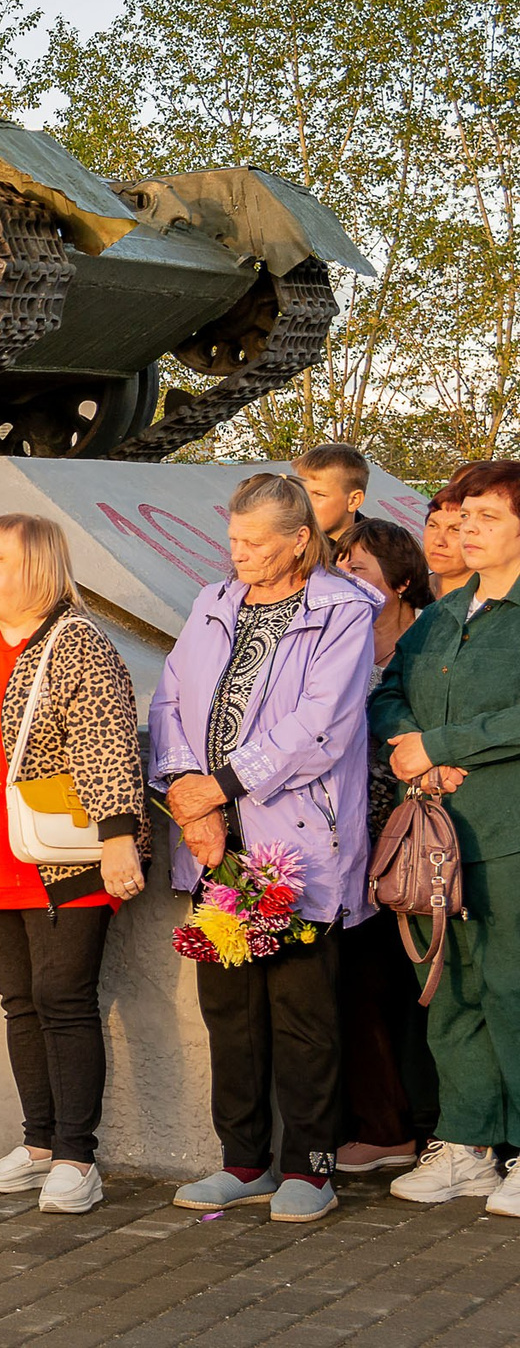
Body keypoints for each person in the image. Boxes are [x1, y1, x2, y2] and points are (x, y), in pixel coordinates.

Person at [152, 473, 377, 1224]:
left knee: (303, 1008)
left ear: (299, 540)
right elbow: (171, 700)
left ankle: (311, 1167)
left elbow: (322, 726)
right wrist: (188, 795)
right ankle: (242, 1160)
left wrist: (218, 785)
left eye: (253, 542)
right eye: (233, 539)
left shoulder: (342, 611)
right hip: (215, 844)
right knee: (231, 1007)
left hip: (298, 845)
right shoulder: (213, 604)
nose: (236, 553)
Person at [0, 514, 147, 1215]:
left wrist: (118, 836)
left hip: (63, 859)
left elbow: (107, 737)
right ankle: (40, 1141)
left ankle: (79, 1155)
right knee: (21, 1002)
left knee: (64, 1000)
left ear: (37, 567)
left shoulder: (77, 640)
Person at [374, 459, 520, 1217]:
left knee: (515, 989)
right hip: (438, 841)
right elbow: (389, 690)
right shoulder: (440, 614)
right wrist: (410, 747)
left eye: (487, 516)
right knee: (453, 992)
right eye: (463, 516)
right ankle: (466, 1144)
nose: (467, 529)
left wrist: (444, 743)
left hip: (510, 833)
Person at [332, 516, 440, 1171]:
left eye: (361, 568)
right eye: (340, 565)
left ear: (400, 583)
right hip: (352, 847)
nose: (347, 577)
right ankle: (386, 1125)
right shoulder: (334, 643)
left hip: (416, 840)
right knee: (362, 985)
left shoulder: (424, 646)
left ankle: (425, 1125)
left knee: (421, 987)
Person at [423, 463, 489, 600]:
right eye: (433, 526)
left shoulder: (494, 606)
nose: (439, 541)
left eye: (455, 530)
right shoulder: (403, 593)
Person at [292, 442, 370, 546]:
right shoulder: (287, 546)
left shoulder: (384, 553)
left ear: (354, 500)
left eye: (319, 494)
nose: (305, 503)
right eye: (301, 491)